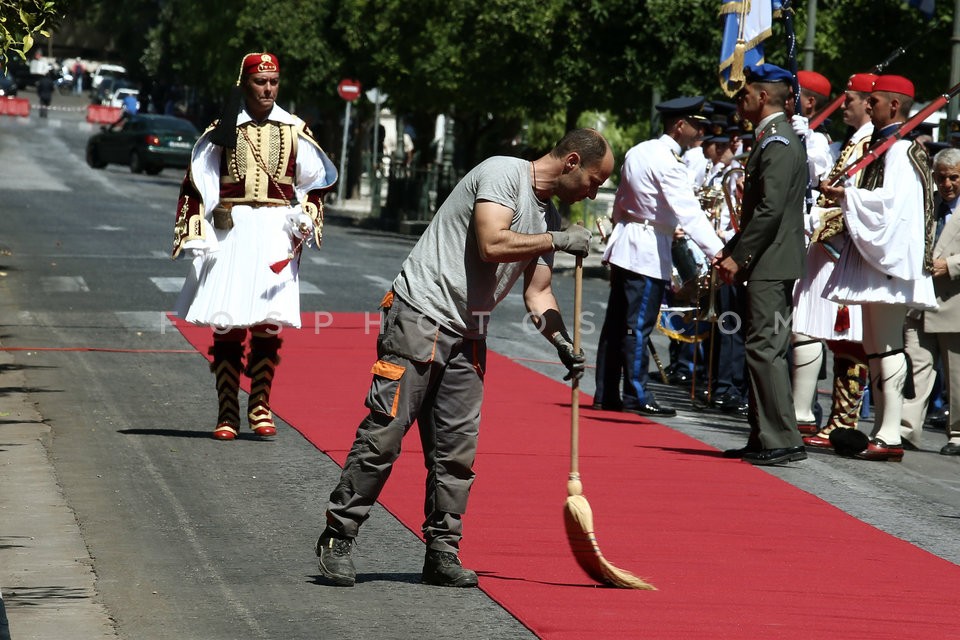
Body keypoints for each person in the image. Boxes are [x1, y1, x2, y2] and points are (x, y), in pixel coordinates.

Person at [314, 129, 612, 588]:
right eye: (594, 180)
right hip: (420, 316)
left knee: (455, 454)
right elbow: (491, 243)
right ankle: (338, 536)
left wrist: (562, 343)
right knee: (385, 436)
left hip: (469, 333)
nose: (594, 192)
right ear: (572, 161)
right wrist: (554, 239)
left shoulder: (548, 213)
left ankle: (442, 551)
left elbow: (539, 293)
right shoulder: (502, 173)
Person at [171, 52, 337, 441]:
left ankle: (260, 403)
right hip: (233, 231)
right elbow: (197, 181)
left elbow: (318, 183)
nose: (267, 88)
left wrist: (307, 215)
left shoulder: (295, 129)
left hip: (276, 233)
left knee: (268, 321)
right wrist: (196, 229)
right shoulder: (223, 129)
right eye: (260, 82)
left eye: (274, 82)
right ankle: (227, 410)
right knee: (228, 323)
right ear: (244, 84)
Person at [820, 74, 937, 461]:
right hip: (877, 261)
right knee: (874, 345)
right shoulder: (884, 145)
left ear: (894, 106)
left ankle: (890, 433)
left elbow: (891, 206)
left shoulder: (901, 151)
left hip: (891, 262)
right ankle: (881, 428)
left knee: (886, 344)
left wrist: (848, 195)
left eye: (874, 102)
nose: (867, 107)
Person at [592, 97, 724, 417]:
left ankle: (607, 391)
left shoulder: (639, 151)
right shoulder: (668, 161)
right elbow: (688, 212)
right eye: (697, 125)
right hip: (648, 247)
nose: (701, 131)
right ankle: (636, 393)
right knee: (638, 325)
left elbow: (621, 201)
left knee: (616, 323)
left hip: (628, 240)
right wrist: (718, 251)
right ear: (680, 126)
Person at [715, 64, 808, 465]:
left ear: (764, 96)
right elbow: (759, 213)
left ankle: (781, 439)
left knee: (765, 349)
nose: (740, 101)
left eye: (744, 94)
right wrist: (733, 248)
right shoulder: (771, 138)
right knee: (761, 348)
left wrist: (739, 256)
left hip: (771, 261)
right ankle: (763, 435)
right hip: (766, 259)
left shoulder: (778, 142)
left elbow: (769, 211)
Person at [791, 73, 876, 449]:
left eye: (854, 99)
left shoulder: (871, 145)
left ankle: (845, 421)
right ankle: (825, 419)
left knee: (851, 339)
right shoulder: (856, 142)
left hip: (845, 249)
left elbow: (858, 201)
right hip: (830, 248)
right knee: (827, 334)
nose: (847, 105)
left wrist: (822, 219)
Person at [900, 147, 960, 455]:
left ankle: (958, 433)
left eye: (953, 178)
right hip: (919, 301)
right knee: (916, 363)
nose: (946, 184)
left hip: (953, 302)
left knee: (956, 372)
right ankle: (908, 427)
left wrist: (949, 266)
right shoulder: (929, 205)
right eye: (941, 178)